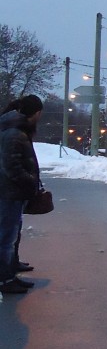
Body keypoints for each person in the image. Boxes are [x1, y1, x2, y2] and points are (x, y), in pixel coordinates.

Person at [0, 94, 43, 294]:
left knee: (11, 233)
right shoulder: (14, 132)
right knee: (6, 236)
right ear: (35, 113)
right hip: (8, 192)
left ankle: (10, 270)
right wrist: (30, 179)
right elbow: (12, 166)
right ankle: (5, 279)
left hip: (12, 192)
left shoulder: (15, 129)